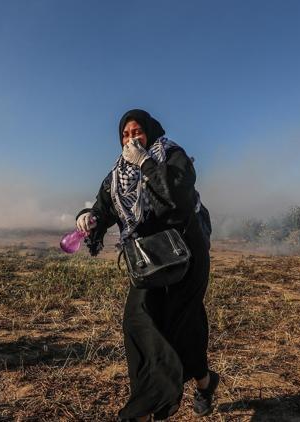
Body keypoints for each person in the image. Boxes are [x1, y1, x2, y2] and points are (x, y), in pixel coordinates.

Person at [75, 109, 217, 421]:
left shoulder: (171, 155)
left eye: (136, 132)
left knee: (183, 328)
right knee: (138, 323)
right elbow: (105, 206)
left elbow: (178, 197)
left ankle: (205, 383)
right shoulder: (118, 174)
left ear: (149, 132)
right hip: (147, 260)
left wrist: (147, 164)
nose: (130, 140)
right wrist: (89, 217)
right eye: (125, 135)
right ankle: (146, 406)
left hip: (186, 255)